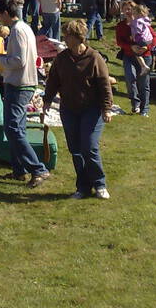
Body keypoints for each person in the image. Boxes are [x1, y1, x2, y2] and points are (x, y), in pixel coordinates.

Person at [42, 19, 113, 200]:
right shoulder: (62, 58)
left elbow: (104, 84)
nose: (64, 38)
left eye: (67, 35)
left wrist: (107, 108)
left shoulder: (94, 58)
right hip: (69, 109)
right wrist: (47, 101)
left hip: (92, 109)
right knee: (76, 149)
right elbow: (53, 81)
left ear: (78, 37)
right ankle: (82, 186)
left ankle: (100, 184)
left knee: (89, 146)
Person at [0, 0, 50, 187]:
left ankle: (38, 169)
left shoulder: (17, 30)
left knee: (13, 128)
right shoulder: (24, 28)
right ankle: (19, 170)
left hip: (20, 83)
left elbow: (19, 61)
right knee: (17, 128)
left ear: (6, 13)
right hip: (21, 82)